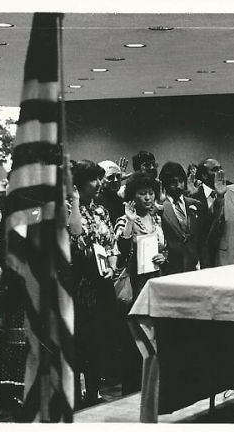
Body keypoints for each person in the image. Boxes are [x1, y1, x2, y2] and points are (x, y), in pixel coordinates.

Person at [67, 160, 119, 407]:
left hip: (100, 282)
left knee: (98, 338)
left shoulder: (101, 211)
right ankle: (75, 395)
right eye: (93, 179)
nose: (99, 184)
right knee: (79, 340)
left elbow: (111, 244)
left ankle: (94, 392)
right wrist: (76, 201)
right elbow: (75, 237)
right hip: (76, 283)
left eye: (100, 179)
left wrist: (112, 266)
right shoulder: (66, 208)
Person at [114, 172, 168, 394]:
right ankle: (133, 386)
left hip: (155, 279)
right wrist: (128, 221)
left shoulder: (156, 218)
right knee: (134, 333)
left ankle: (153, 381)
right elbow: (121, 247)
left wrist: (164, 256)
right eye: (142, 193)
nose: (147, 197)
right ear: (132, 196)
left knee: (154, 331)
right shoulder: (125, 218)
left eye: (150, 193)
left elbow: (164, 247)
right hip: (135, 282)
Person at [159, 162, 204, 275]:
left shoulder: (195, 204)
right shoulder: (159, 207)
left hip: (192, 266)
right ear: (165, 184)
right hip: (168, 267)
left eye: (181, 181)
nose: (178, 186)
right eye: (173, 182)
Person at [190, 158, 224, 269]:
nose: (220, 173)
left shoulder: (229, 193)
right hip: (203, 258)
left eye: (221, 169)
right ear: (204, 176)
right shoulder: (193, 197)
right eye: (215, 170)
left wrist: (220, 197)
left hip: (225, 256)